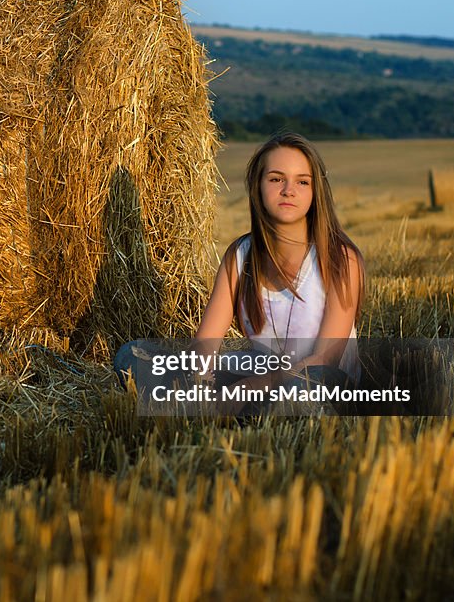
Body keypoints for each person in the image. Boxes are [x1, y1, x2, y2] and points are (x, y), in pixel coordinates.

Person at [114, 132, 365, 412]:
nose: (288, 190)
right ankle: (230, 412)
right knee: (133, 355)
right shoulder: (239, 256)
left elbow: (325, 359)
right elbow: (205, 344)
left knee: (298, 391)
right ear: (257, 186)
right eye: (276, 179)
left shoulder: (340, 259)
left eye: (302, 181)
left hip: (318, 382)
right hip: (257, 375)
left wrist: (246, 389)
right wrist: (198, 379)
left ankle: (240, 413)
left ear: (315, 190)